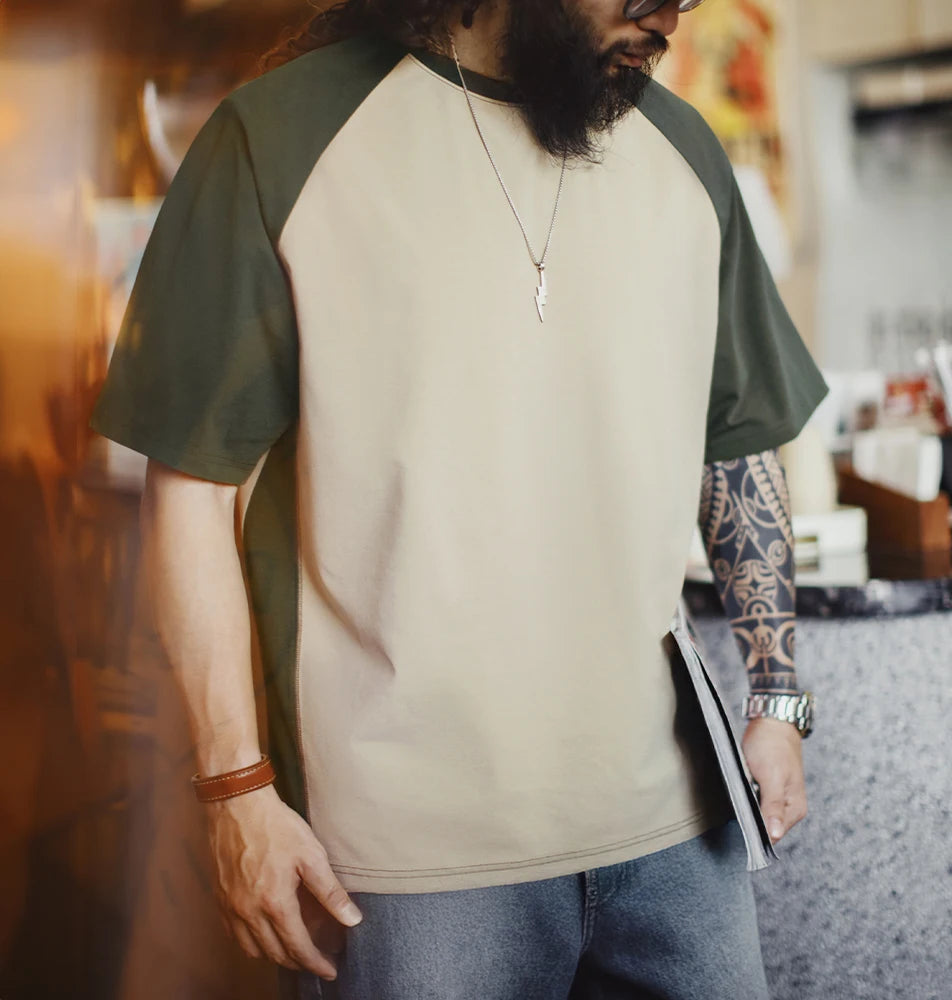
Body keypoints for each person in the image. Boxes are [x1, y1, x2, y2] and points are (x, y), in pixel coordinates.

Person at [92, 1, 828, 997]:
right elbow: (191, 486)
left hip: (676, 828)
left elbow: (736, 445)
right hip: (407, 859)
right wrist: (234, 788)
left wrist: (777, 698)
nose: (672, 10)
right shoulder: (282, 137)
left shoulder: (686, 152)